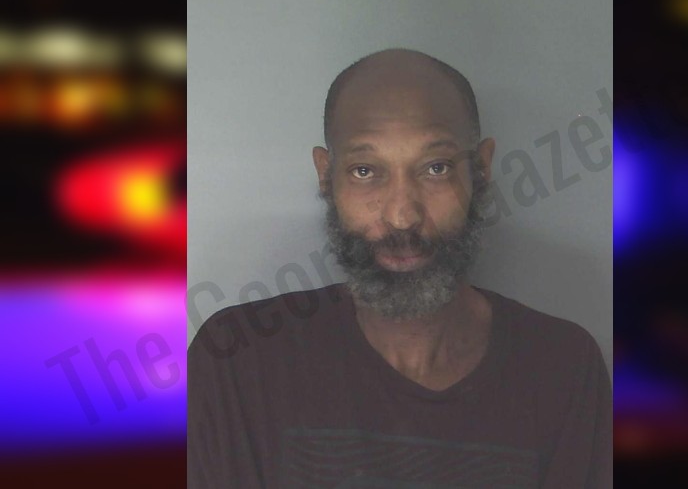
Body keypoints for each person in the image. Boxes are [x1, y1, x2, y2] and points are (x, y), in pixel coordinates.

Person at [188, 49, 611, 488]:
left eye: (436, 168)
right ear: (326, 175)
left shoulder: (563, 368)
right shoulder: (237, 364)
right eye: (365, 171)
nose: (402, 216)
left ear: (481, 169)